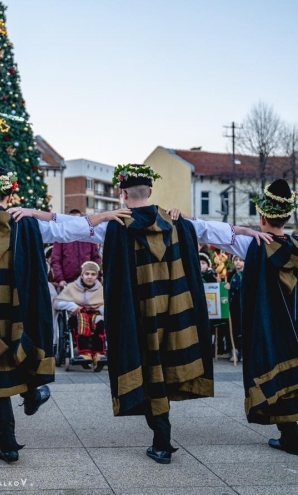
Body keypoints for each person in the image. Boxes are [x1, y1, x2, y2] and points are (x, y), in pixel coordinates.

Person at [0, 167, 127, 464]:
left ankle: (9, 443)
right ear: (11, 193)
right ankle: (33, 395)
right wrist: (102, 216)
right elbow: (74, 229)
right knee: (24, 353)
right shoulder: (28, 224)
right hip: (18, 314)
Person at [180, 178, 298, 455]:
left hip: (267, 325)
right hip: (296, 325)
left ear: (261, 215)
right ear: (287, 216)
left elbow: (210, 231)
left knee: (273, 370)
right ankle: (290, 435)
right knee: (293, 372)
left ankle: (290, 436)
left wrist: (182, 219)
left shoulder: (250, 244)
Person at [71, 164, 215, 465]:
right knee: (164, 369)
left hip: (140, 315)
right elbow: (219, 235)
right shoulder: (179, 225)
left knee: (149, 372)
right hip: (176, 315)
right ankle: (161, 439)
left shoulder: (118, 226)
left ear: (122, 194)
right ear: (150, 191)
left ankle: (162, 441)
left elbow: (112, 275)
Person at [53, 261, 106, 371]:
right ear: (82, 275)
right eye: (87, 274)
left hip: (95, 315)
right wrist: (72, 306)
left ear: (97, 276)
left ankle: (98, 354)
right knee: (79, 321)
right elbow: (57, 303)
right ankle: (85, 353)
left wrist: (100, 310)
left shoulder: (101, 289)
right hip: (77, 314)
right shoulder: (72, 287)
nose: (89, 277)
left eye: (93, 274)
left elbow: (106, 305)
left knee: (101, 323)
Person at [50, 209, 102, 288]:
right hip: (67, 282)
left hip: (88, 281)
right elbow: (56, 260)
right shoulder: (61, 237)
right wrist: (60, 279)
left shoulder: (89, 236)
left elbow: (96, 258)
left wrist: (96, 276)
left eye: (77, 220)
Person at [227, 255, 245, 362]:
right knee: (234, 328)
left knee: (243, 329)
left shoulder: (247, 274)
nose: (238, 262)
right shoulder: (232, 275)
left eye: (241, 260)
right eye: (236, 260)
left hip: (243, 306)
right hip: (234, 307)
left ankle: (243, 352)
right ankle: (235, 351)